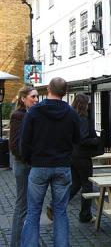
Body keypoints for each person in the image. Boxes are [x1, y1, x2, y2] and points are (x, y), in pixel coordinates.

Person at [19, 77, 80, 247]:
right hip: (62, 166)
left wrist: (29, 160)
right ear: (65, 92)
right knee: (60, 212)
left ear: (48, 89)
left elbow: (25, 141)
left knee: (33, 212)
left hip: (39, 166)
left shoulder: (34, 111)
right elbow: (78, 139)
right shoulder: (71, 113)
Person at [9, 86, 38, 247]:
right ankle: (16, 243)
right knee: (22, 205)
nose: (35, 99)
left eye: (36, 97)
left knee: (28, 205)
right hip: (23, 165)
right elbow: (15, 145)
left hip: (29, 165)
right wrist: (29, 159)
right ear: (23, 99)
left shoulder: (29, 114)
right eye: (32, 97)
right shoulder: (18, 116)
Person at [69, 93, 97, 222]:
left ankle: (54, 205)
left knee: (75, 183)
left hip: (71, 156)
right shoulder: (83, 119)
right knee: (87, 185)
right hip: (82, 156)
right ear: (84, 105)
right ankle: (85, 215)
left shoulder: (70, 117)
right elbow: (83, 139)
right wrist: (96, 140)